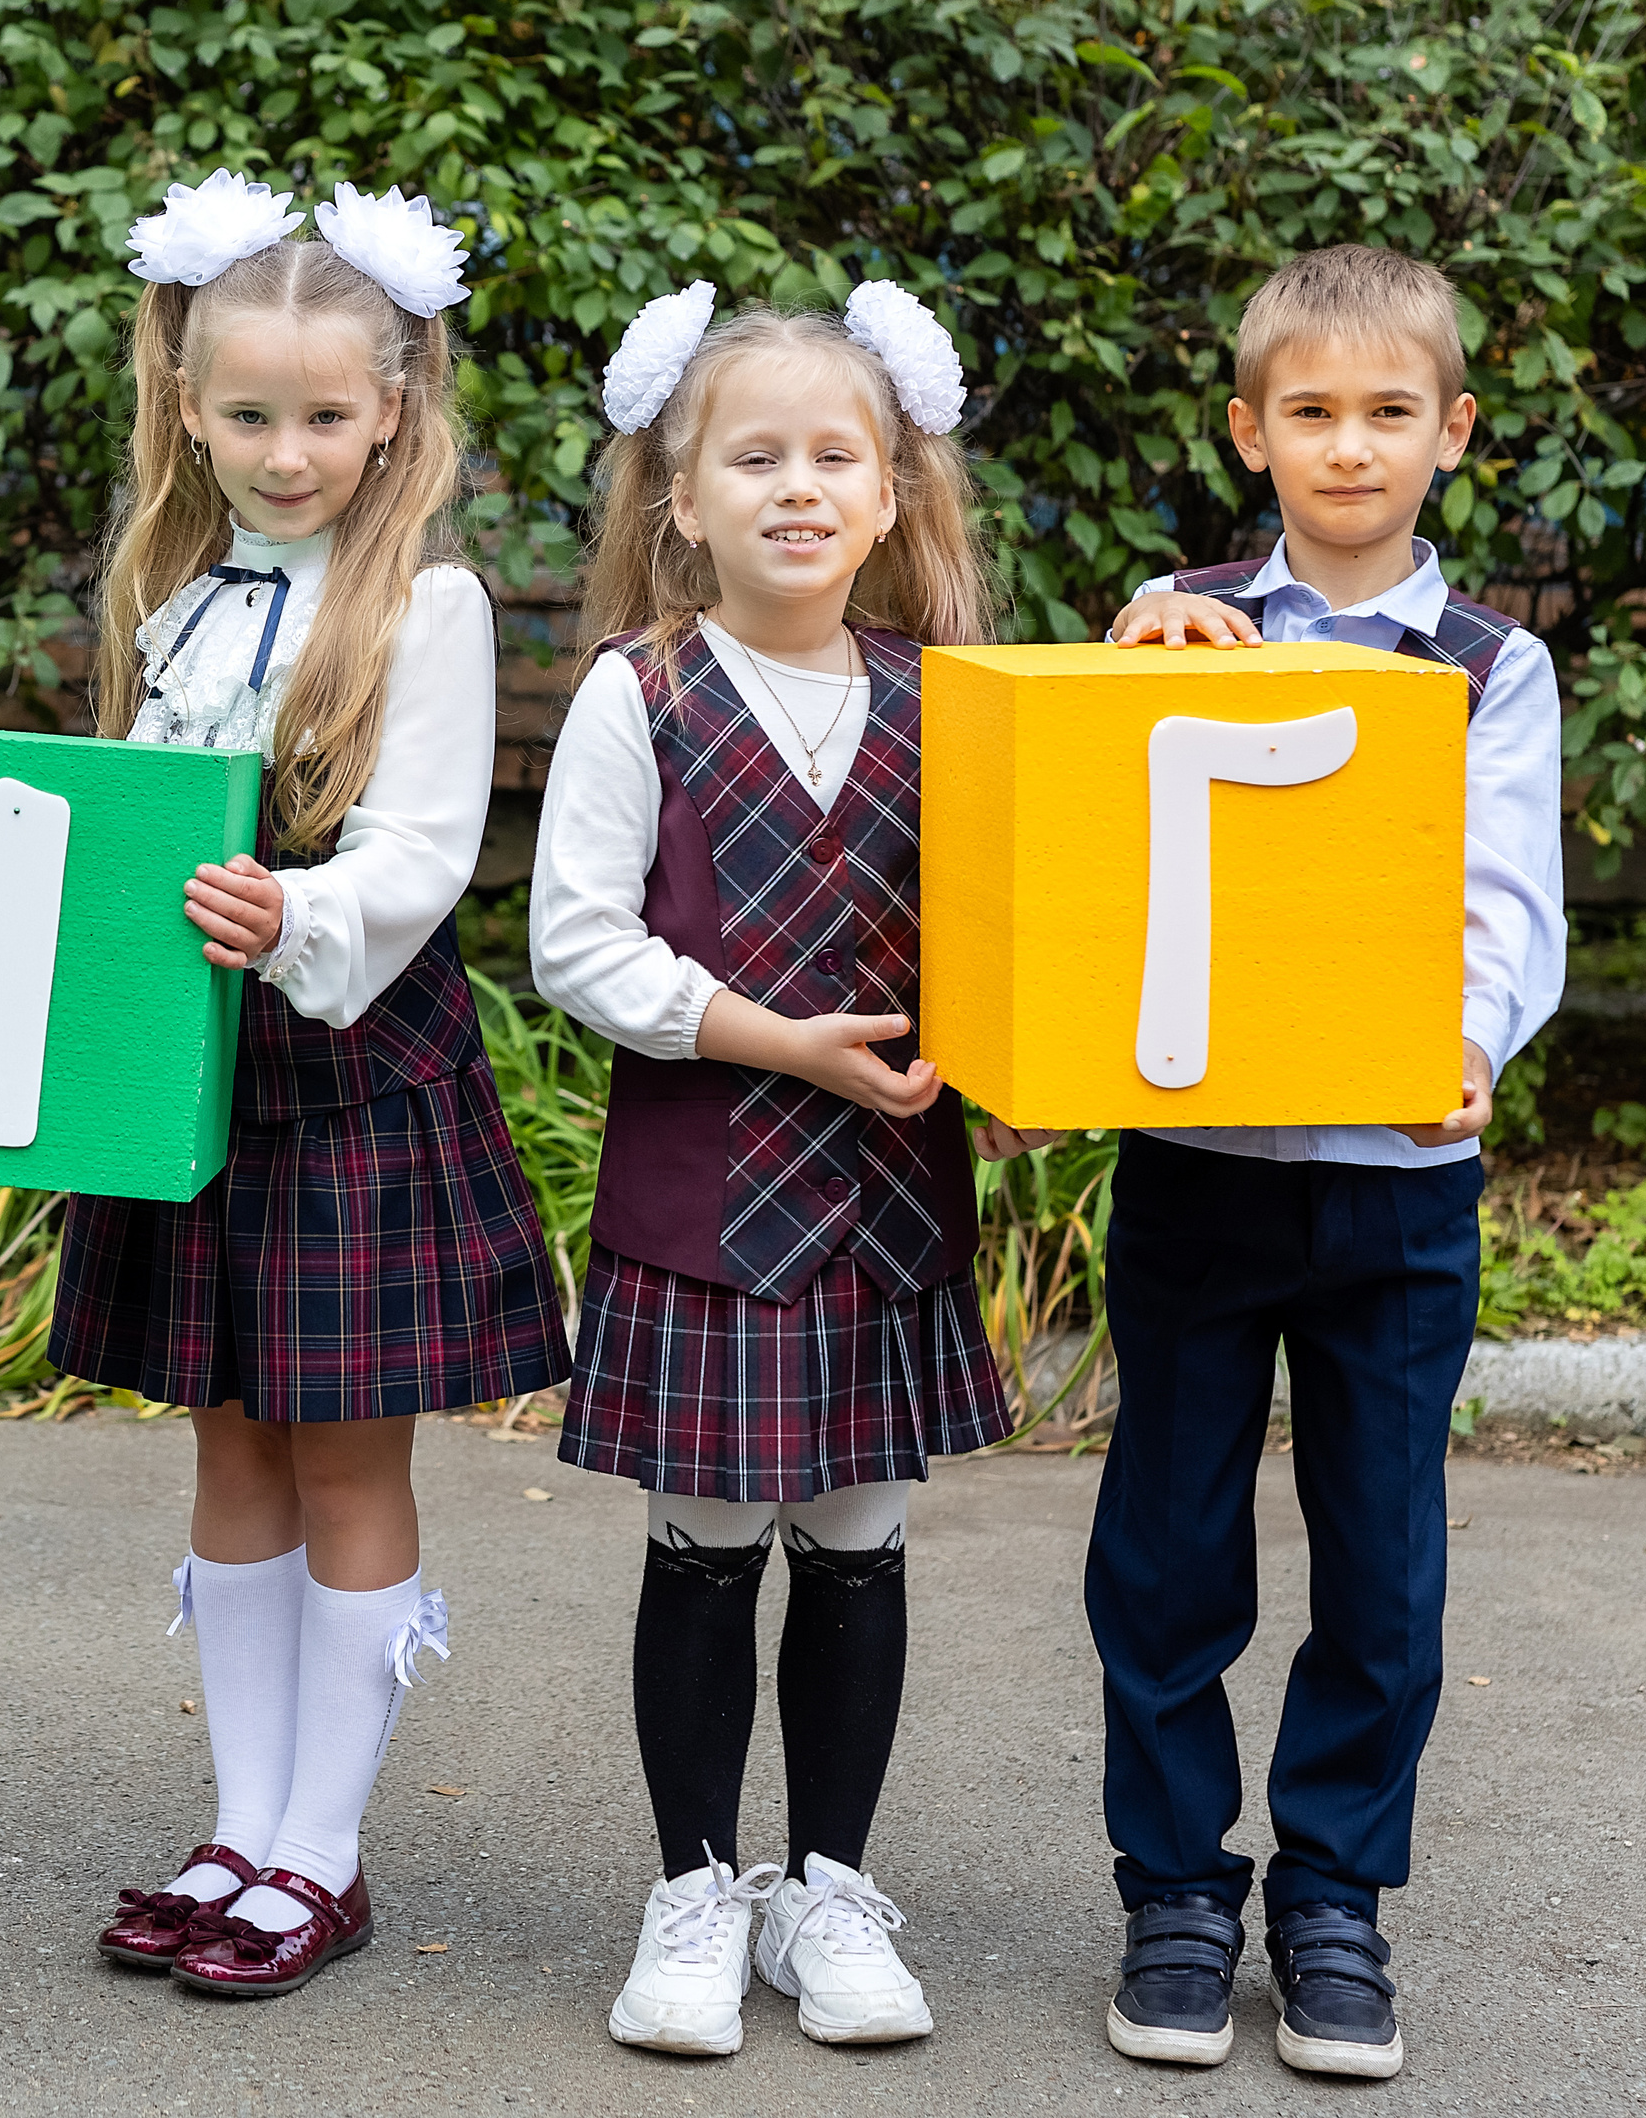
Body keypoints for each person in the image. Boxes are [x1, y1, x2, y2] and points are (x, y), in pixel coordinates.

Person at [51, 172, 570, 2000]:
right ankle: (237, 1821)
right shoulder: (174, 592)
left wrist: (293, 911)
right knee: (229, 1435)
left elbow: (425, 858)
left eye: (325, 417)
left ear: (394, 410)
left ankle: (324, 1851)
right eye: (249, 416)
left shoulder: (425, 603)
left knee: (346, 1452)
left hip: (350, 1075)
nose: (287, 453)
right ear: (188, 407)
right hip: (193, 1083)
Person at [528, 282, 1048, 2059]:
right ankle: (695, 1891)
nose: (798, 486)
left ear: (895, 495)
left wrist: (1026, 1076)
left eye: (837, 455)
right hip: (708, 1199)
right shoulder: (637, 695)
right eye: (754, 457)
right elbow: (579, 948)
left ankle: (828, 1890)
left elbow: (1015, 945)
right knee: (707, 1546)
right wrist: (780, 1040)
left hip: (890, 1206)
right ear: (680, 499)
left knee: (857, 1540)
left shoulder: (958, 705)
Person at [1091, 244, 1564, 2083]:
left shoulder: (1489, 665)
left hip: (1394, 1175)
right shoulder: (1178, 622)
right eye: (1311, 414)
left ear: (1450, 430)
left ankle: (1339, 1897)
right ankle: (1178, 1893)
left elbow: (1501, 892)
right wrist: (1135, 645)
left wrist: (1470, 1039)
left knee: (1384, 1558)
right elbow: (1099, 832)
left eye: (1387, 414)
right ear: (1251, 433)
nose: (1348, 448)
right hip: (1201, 1157)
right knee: (1169, 1546)